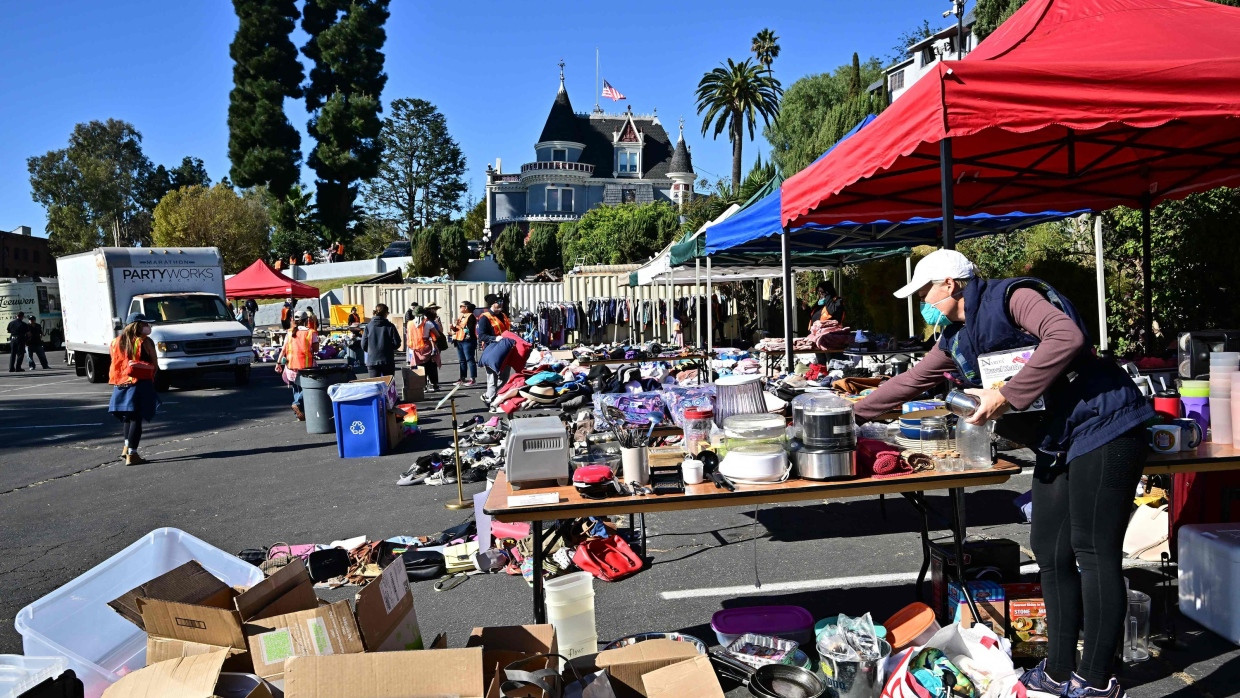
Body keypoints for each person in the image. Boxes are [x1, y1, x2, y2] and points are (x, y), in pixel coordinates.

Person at [853, 249, 1153, 698]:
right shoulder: (956, 336)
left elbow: (1065, 336)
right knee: (1049, 550)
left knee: (1093, 551)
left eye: (925, 292)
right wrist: (846, 412)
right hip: (1059, 438)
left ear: (951, 284)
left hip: (1105, 425)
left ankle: (1097, 680)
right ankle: (1056, 670)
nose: (922, 303)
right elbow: (912, 381)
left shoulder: (1013, 297)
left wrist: (1006, 396)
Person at [108, 313, 159, 465]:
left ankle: (126, 447)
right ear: (137, 325)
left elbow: (115, 362)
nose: (148, 327)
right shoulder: (145, 341)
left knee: (128, 418)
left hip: (121, 382)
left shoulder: (115, 341)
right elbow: (154, 362)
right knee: (137, 418)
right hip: (139, 382)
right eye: (145, 324)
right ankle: (133, 454)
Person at [273, 313, 320, 420]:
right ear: (306, 320)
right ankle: (297, 403)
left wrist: (278, 362)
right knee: (306, 389)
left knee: (296, 389)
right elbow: (316, 350)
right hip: (306, 367)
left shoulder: (289, 332)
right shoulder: (310, 332)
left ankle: (299, 414)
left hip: (291, 366)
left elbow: (284, 349)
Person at [407, 306, 443, 391]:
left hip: (415, 347)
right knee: (431, 366)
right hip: (426, 345)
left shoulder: (410, 324)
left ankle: (423, 386)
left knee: (420, 367)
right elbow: (437, 335)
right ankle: (434, 384)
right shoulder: (428, 323)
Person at [362, 303, 400, 377]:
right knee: (389, 386)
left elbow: (363, 344)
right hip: (387, 360)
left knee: (375, 386)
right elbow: (397, 343)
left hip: (372, 360)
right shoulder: (390, 326)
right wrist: (388, 348)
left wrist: (371, 350)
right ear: (386, 313)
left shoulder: (368, 326)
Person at [450, 301, 478, 386]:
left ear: (466, 307)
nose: (460, 308)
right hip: (459, 339)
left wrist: (460, 324)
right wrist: (453, 328)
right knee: (462, 360)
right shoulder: (461, 316)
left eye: (461, 306)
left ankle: (472, 378)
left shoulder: (471, 316)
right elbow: (458, 329)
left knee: (469, 359)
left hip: (468, 340)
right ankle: (462, 377)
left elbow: (469, 329)